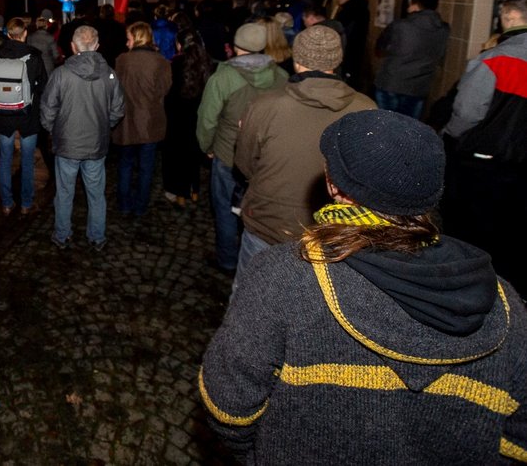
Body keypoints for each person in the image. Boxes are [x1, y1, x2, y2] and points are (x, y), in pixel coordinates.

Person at [199, 109, 527, 465]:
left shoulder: (284, 276)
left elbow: (227, 407)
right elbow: (516, 441)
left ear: (332, 185)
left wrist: (262, 453)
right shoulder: (505, 305)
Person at [234, 25, 375, 285]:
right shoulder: (366, 108)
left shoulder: (264, 106)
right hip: (335, 235)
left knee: (249, 305)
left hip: (269, 225)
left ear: (297, 60)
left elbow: (244, 164)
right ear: (338, 60)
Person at [441, 0, 527, 294]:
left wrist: (448, 140)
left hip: (483, 165)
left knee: (472, 236)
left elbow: (465, 114)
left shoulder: (496, 59)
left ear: (510, 15)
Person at [196, 23, 288, 273]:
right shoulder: (281, 77)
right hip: (265, 157)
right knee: (260, 210)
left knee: (225, 209)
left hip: (229, 154)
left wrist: (207, 146)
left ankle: (227, 259)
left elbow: (207, 119)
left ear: (236, 47)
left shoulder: (223, 77)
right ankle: (259, 263)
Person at [40, 25, 125, 251]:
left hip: (67, 144)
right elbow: (118, 109)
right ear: (96, 46)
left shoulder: (61, 74)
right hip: (96, 144)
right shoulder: (109, 73)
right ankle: (97, 237)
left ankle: (62, 234)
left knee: (64, 192)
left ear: (73, 46)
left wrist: (54, 130)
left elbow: (47, 110)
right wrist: (103, 127)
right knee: (96, 193)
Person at [112, 22, 172, 217]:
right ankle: (140, 206)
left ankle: (124, 204)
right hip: (150, 122)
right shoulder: (161, 61)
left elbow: (116, 89)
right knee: (146, 168)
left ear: (137, 38)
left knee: (125, 165)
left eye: (129, 38)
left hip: (127, 121)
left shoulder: (122, 60)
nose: (126, 43)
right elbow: (165, 89)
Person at [0, 17, 48, 216]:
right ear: (25, 33)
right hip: (28, 116)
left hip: (3, 115)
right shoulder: (34, 57)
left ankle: (7, 203)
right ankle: (26, 202)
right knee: (27, 159)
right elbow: (43, 87)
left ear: (8, 34)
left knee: (5, 159)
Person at [373, 0, 450, 118]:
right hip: (419, 87)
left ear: (415, 5)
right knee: (410, 128)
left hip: (391, 82)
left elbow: (381, 45)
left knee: (386, 125)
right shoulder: (444, 29)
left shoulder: (400, 25)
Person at [162, 28, 213, 208]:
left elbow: (169, 91)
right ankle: (195, 191)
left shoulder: (176, 63)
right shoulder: (207, 63)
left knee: (178, 156)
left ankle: (181, 194)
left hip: (178, 115)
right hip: (199, 114)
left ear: (179, 44)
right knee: (193, 154)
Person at [334, 0, 371, 91]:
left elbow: (342, 29)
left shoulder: (348, 11)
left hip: (348, 48)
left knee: (346, 76)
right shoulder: (362, 8)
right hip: (357, 48)